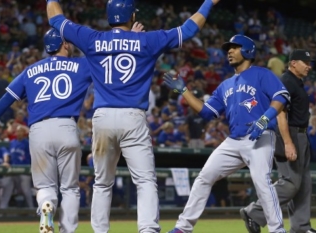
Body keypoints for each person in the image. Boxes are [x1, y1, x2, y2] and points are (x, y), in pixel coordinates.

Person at [46, 0, 220, 232]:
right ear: (132, 16)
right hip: (132, 117)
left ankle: (100, 231)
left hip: (103, 117)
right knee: (145, 180)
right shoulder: (147, 40)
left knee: (102, 182)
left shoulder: (92, 38)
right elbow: (189, 29)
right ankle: (147, 229)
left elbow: (55, 20)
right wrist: (208, 2)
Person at [163, 35, 289, 233]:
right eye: (228, 48)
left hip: (261, 136)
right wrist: (184, 90)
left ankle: (277, 230)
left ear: (247, 50)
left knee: (261, 181)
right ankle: (183, 228)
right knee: (204, 177)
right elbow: (206, 112)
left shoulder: (262, 74)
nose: (229, 51)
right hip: (234, 140)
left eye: (235, 47)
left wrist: (264, 119)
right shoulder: (225, 85)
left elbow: (282, 96)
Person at [0, 28, 92, 233]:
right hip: (67, 127)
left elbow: (7, 99)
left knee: (45, 186)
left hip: (39, 130)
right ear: (65, 44)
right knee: (70, 188)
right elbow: (106, 58)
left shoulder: (31, 69)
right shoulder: (82, 64)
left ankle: (47, 204)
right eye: (69, 42)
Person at [241, 49, 316, 233]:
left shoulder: (296, 82)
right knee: (290, 183)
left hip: (301, 134)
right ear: (293, 63)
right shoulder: (286, 82)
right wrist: (288, 142)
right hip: (289, 134)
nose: (309, 66)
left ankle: (301, 227)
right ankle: (254, 212)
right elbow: (280, 115)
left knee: (303, 184)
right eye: (305, 62)